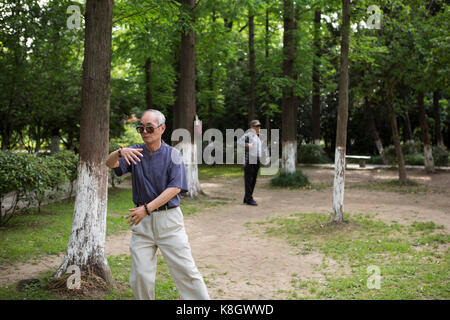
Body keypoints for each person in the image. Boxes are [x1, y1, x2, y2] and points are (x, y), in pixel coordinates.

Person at [105, 109, 210, 300]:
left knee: (187, 273)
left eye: (149, 128)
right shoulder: (134, 152)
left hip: (169, 223)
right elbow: (109, 164)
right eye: (141, 128)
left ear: (162, 129)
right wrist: (119, 153)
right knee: (140, 277)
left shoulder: (173, 155)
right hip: (142, 226)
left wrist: (146, 208)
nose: (145, 132)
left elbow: (175, 187)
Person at [238, 119, 262, 206]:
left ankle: (247, 197)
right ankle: (249, 199)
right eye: (256, 126)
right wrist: (247, 145)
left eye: (259, 126)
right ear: (251, 127)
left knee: (253, 180)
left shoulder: (257, 137)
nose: (258, 127)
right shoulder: (248, 135)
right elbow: (239, 142)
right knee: (249, 180)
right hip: (249, 159)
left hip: (256, 160)